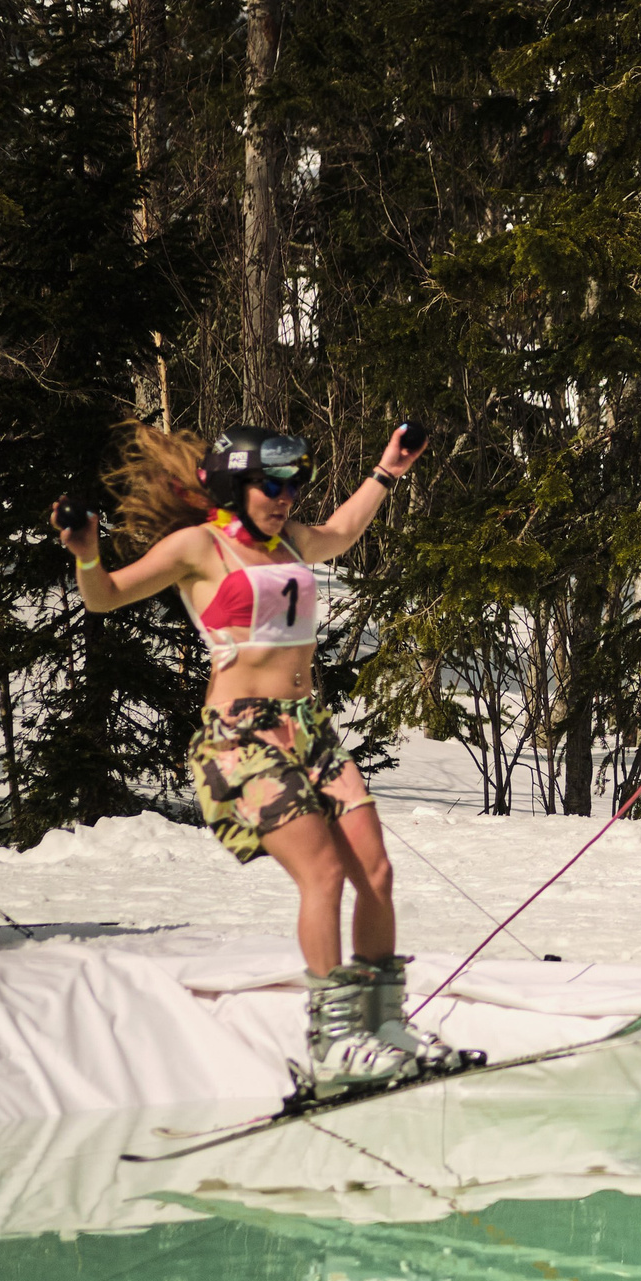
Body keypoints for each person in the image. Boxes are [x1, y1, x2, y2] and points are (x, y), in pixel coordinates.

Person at [54, 420, 464, 1096]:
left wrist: (388, 469)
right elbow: (106, 596)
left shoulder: (291, 542)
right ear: (232, 485)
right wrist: (88, 552)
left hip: (311, 731)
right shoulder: (199, 545)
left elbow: (342, 532)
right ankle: (332, 1044)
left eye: (294, 483)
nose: (286, 496)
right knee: (324, 874)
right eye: (271, 484)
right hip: (241, 739)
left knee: (378, 873)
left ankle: (381, 1024)